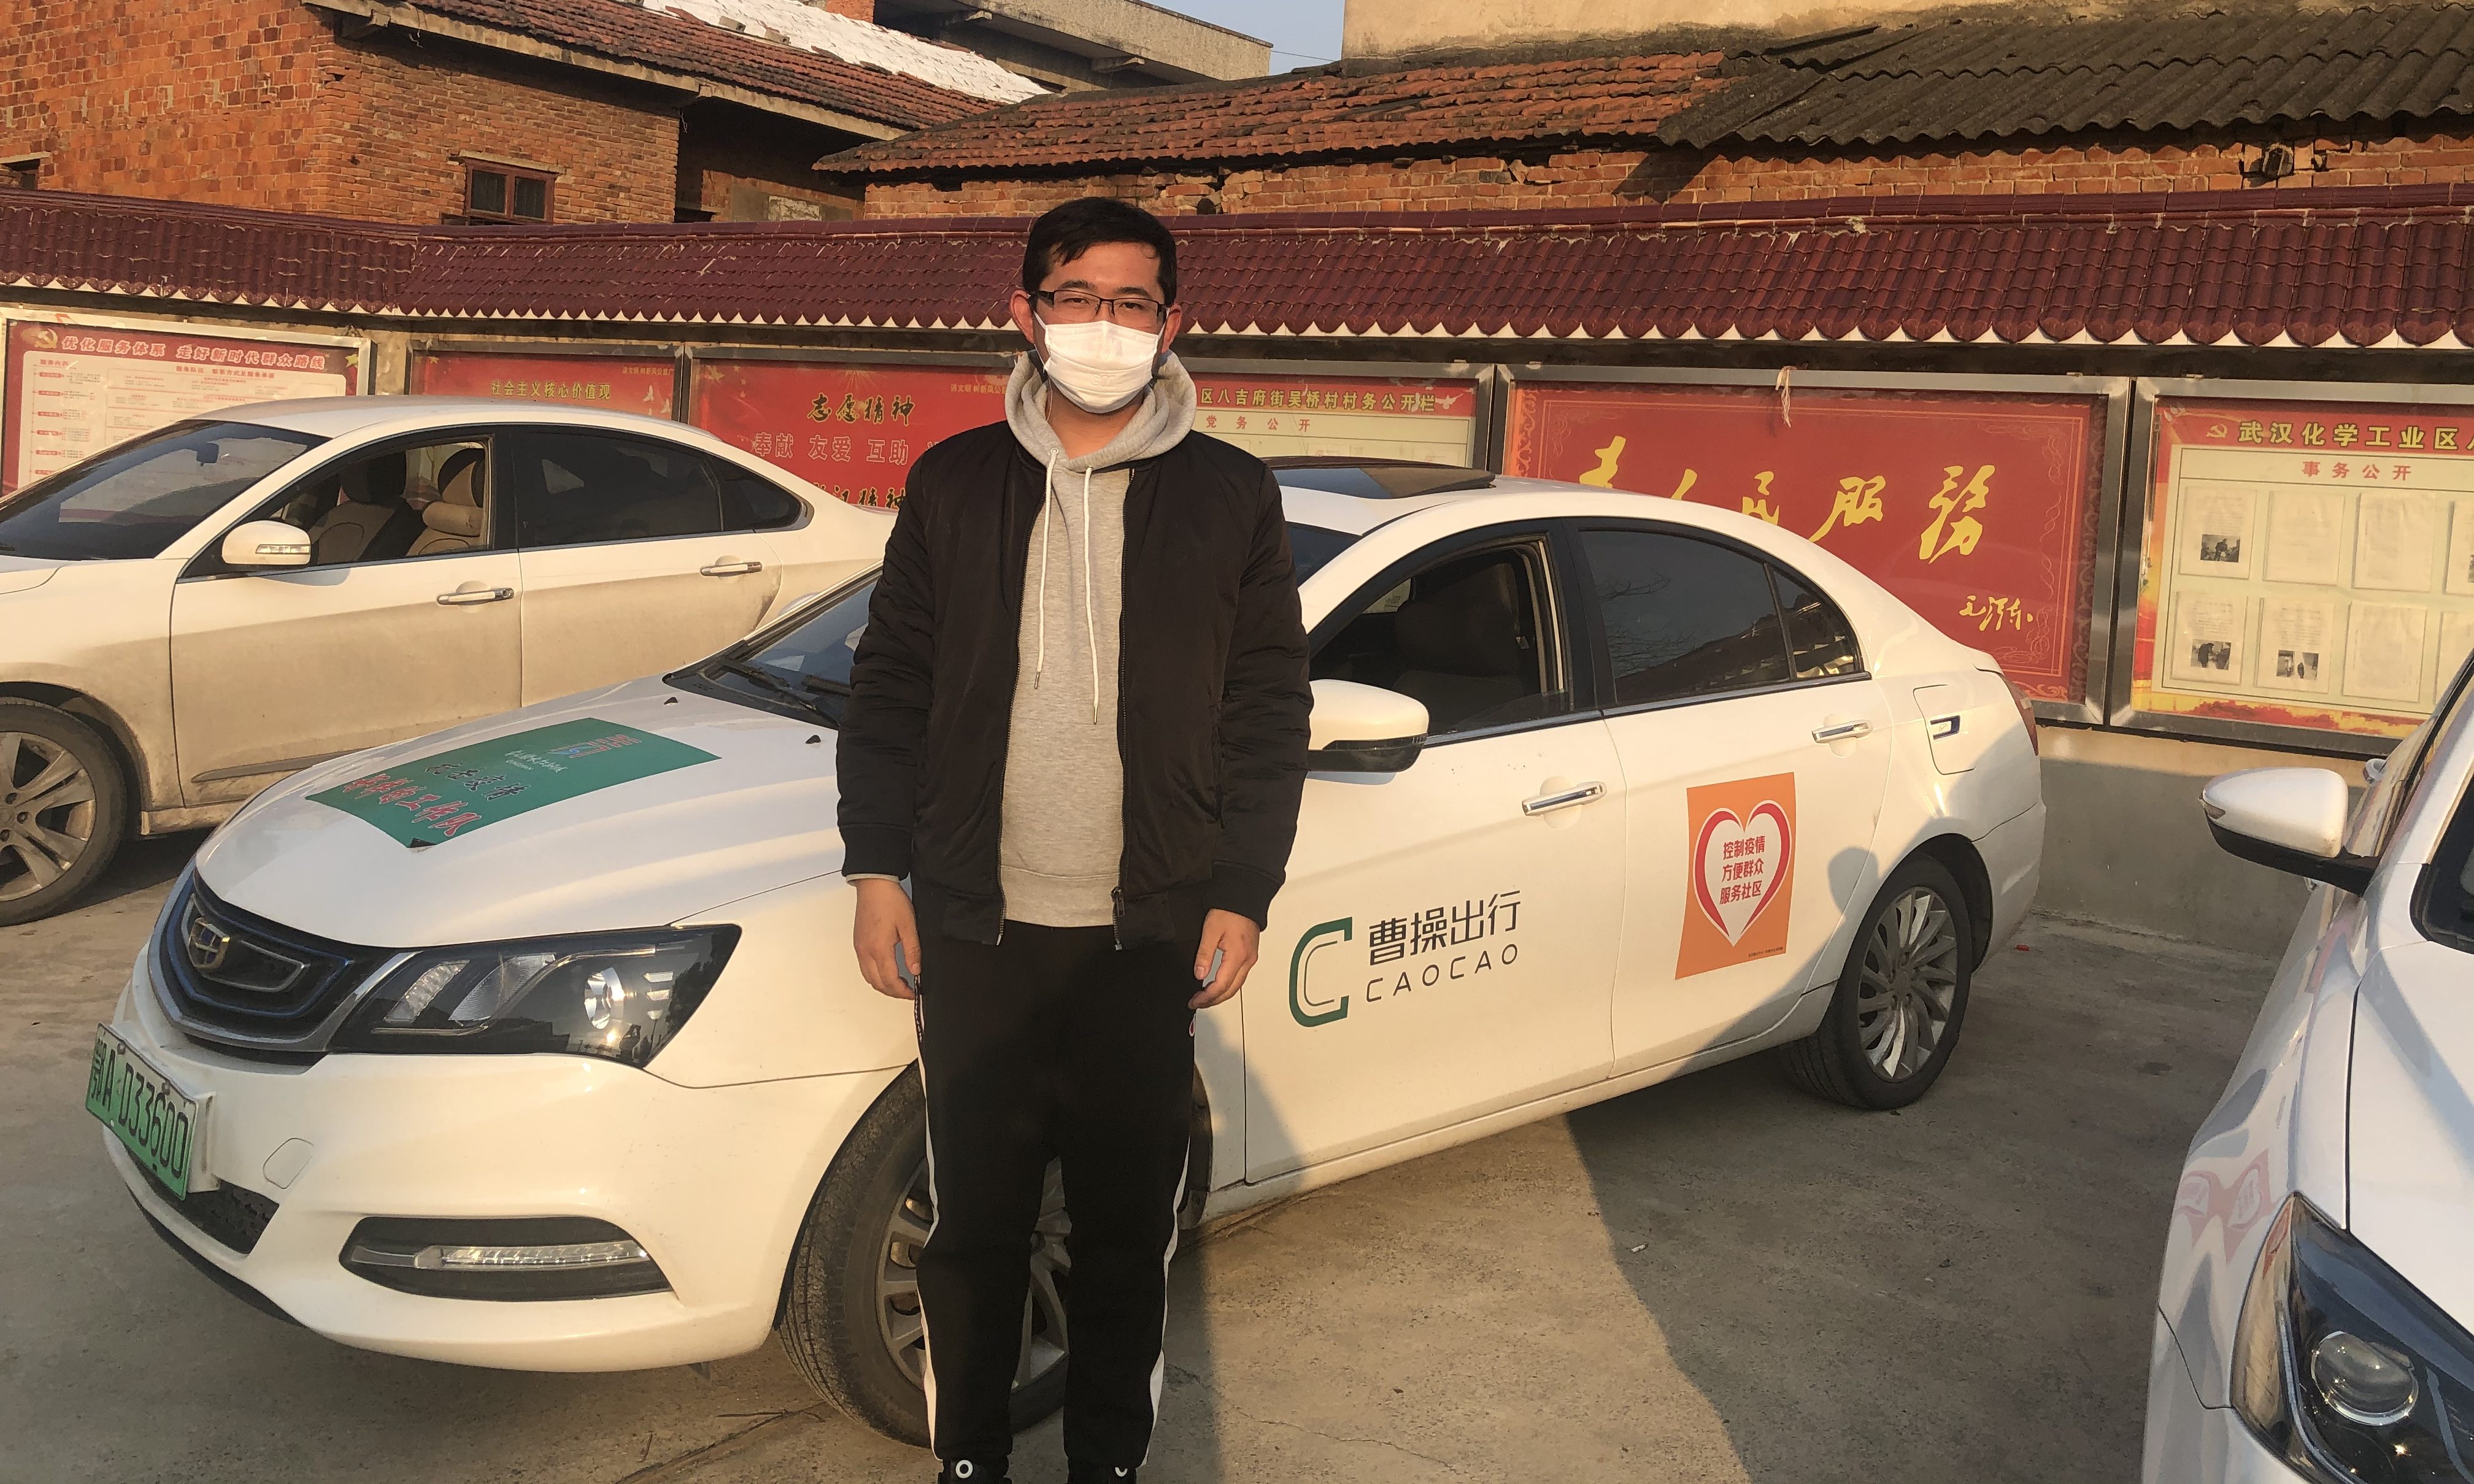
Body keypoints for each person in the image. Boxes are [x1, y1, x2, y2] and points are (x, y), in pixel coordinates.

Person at [836, 198, 1312, 1484]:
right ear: (1027, 313)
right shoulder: (955, 481)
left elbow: (1269, 705)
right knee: (974, 1234)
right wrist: (877, 868)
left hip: (1145, 932)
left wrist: (1242, 888)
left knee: (1121, 1236)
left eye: (1132, 303)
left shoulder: (1228, 494)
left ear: (1173, 323)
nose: (1106, 326)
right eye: (1078, 298)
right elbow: (892, 684)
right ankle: (971, 1464)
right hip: (978, 927)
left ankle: (1107, 1464)